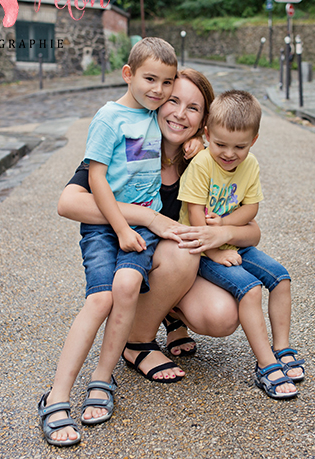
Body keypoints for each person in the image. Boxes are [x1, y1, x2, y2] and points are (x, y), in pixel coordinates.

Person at [47, 68, 271, 444]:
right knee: (180, 255)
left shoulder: (205, 160)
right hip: (149, 253)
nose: (180, 113)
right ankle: (137, 342)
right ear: (156, 101)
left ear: (206, 120)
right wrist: (146, 215)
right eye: (173, 101)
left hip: (171, 261)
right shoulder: (132, 146)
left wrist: (224, 232)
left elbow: (254, 228)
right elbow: (68, 203)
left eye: (194, 107)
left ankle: (166, 313)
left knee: (221, 316)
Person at [37, 37, 178, 447]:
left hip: (143, 228)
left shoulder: (157, 117)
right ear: (128, 74)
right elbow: (95, 178)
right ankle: (57, 395)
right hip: (107, 226)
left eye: (167, 82)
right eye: (150, 79)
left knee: (128, 285)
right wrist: (119, 227)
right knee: (100, 299)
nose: (159, 90)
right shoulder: (108, 118)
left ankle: (102, 377)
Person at [178, 90, 304, 400]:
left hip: (229, 238)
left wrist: (226, 226)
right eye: (220, 144)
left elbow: (251, 209)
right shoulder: (202, 165)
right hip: (201, 246)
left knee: (281, 278)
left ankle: (282, 347)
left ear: (254, 140)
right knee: (249, 288)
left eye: (240, 146)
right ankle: (266, 365)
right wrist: (216, 250)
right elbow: (195, 217)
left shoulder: (251, 165)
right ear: (207, 134)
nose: (229, 153)